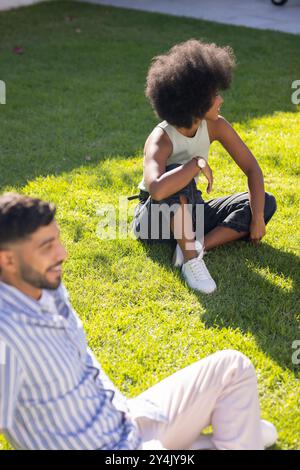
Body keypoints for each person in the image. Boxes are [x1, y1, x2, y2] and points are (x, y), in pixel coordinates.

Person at [0, 193, 278, 450]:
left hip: (127, 420)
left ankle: (236, 436)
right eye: (47, 247)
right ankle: (237, 435)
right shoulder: (7, 336)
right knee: (248, 430)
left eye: (57, 240)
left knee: (233, 368)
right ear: (8, 260)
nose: (62, 254)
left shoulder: (44, 284)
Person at [131, 39, 277, 294]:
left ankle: (197, 246)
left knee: (263, 201)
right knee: (177, 175)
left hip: (191, 209)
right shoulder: (161, 137)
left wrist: (256, 218)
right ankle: (191, 263)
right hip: (153, 221)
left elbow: (252, 168)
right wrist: (196, 163)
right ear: (195, 101)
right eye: (213, 94)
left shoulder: (216, 125)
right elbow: (156, 190)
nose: (220, 99)